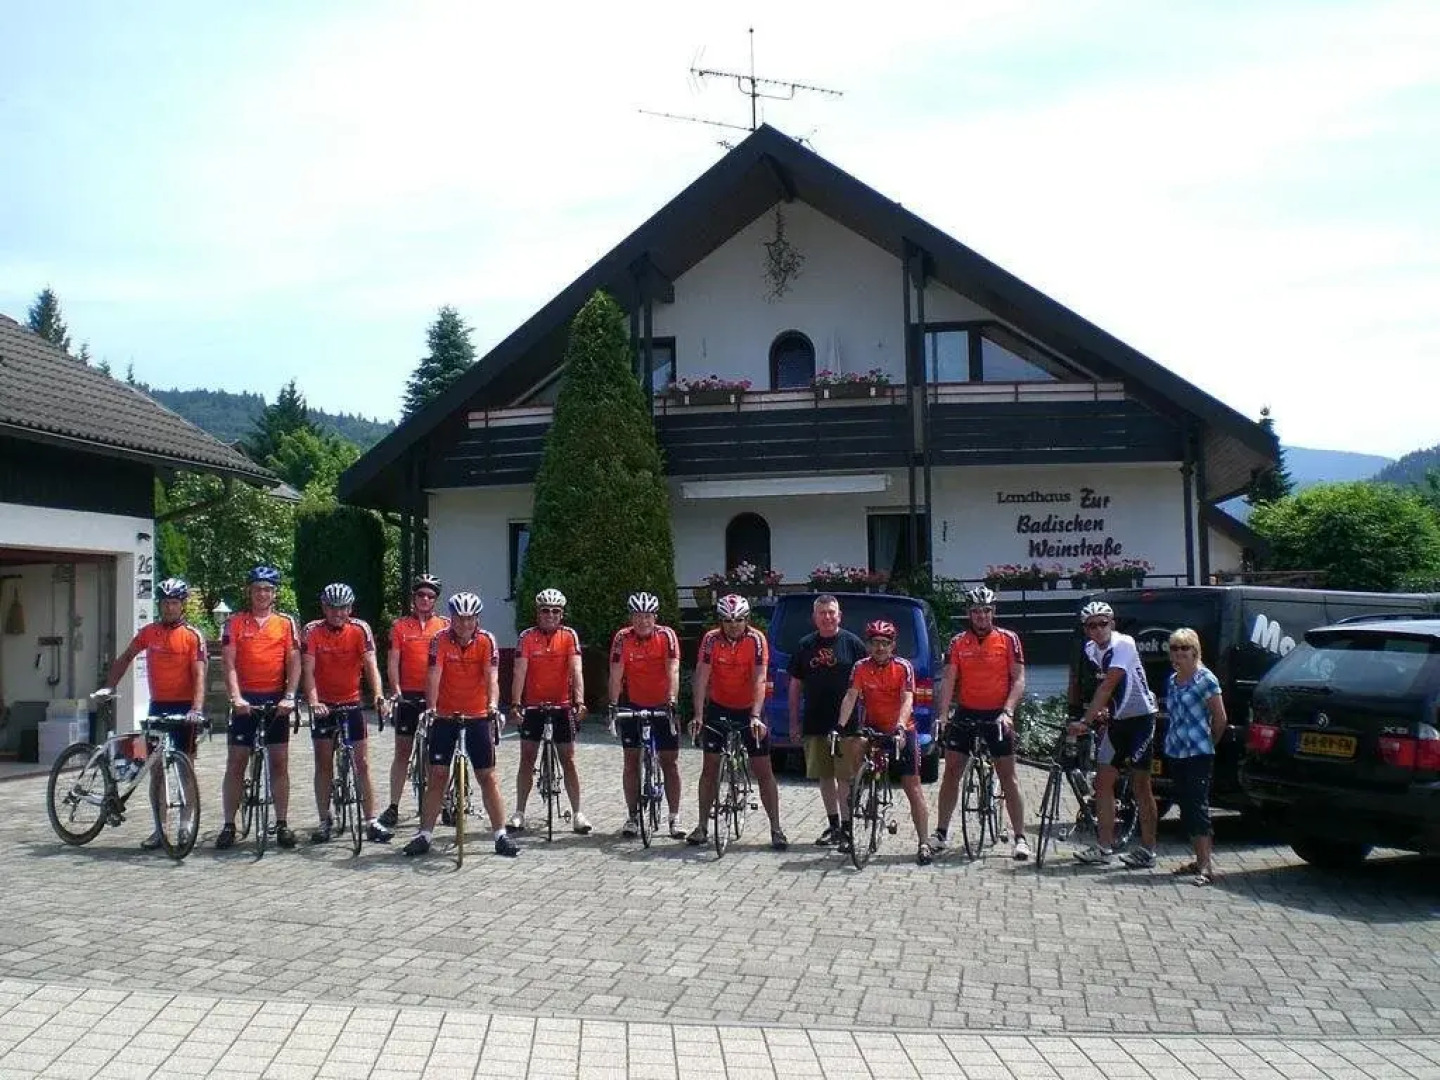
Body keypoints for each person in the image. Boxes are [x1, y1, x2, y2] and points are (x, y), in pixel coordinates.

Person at [404, 592, 518, 858]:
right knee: (438, 776)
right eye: (459, 618)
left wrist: (492, 706)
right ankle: (425, 835)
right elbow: (434, 674)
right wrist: (430, 708)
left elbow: (492, 677)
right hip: (445, 715)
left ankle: (500, 835)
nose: (464, 625)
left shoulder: (486, 640)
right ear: (452, 618)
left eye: (470, 619)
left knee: (487, 777)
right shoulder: (439, 640)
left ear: (477, 618)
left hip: (477, 714)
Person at [99, 577, 207, 851]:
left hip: (184, 708)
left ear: (182, 605)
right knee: (155, 770)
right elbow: (125, 658)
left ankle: (186, 824)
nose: (169, 608)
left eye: (174, 603)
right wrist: (109, 686)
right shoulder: (149, 632)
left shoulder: (192, 636)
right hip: (158, 707)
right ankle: (159, 829)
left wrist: (196, 708)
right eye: (165, 603)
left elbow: (200, 676)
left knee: (185, 769)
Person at [932, 586, 1030, 859]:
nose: (982, 617)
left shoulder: (1009, 639)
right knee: (951, 771)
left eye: (986, 611)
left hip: (998, 713)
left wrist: (1008, 711)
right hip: (966, 711)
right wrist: (943, 716)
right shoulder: (958, 642)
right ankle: (941, 832)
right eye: (976, 612)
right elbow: (949, 681)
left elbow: (1019, 679)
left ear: (993, 612)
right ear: (969, 614)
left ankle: (1020, 837)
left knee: (1007, 775)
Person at [687, 593, 788, 850]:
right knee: (710, 768)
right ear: (720, 621)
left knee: (763, 769)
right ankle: (701, 826)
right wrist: (698, 714)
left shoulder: (756, 639)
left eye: (739, 620)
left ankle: (776, 828)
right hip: (719, 706)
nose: (733, 625)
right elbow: (701, 678)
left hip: (748, 708)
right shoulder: (711, 640)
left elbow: (760, 679)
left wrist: (755, 715)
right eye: (728, 621)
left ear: (747, 619)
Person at [217, 566, 301, 850]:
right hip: (246, 700)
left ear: (274, 593)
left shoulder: (286, 623)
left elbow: (294, 662)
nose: (262, 594)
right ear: (249, 592)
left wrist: (289, 695)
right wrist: (235, 697)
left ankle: (282, 823)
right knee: (237, 761)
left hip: (275, 699)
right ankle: (229, 823)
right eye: (257, 589)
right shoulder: (235, 622)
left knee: (279, 761)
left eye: (267, 589)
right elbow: (228, 663)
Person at [301, 583, 393, 844]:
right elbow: (308, 670)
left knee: (362, 764)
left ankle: (370, 821)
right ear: (324, 608)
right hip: (324, 704)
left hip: (351, 702)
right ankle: (324, 820)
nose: (337, 613)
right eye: (332, 608)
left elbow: (371, 665)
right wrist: (314, 701)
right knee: (323, 764)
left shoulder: (360, 629)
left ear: (350, 608)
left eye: (342, 608)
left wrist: (378, 695)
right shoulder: (312, 631)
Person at [836, 619, 933, 865]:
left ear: (893, 645)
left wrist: (900, 726)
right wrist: (839, 727)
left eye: (885, 643)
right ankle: (858, 786)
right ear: (868, 645)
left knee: (913, 786)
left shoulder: (903, 667)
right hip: (872, 727)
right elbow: (850, 697)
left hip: (901, 729)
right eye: (875, 643)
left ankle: (924, 842)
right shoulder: (860, 667)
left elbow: (907, 699)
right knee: (855, 743)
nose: (879, 648)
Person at [1074, 600, 1161, 867]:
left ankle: (1148, 851)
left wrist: (1085, 722)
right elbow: (1093, 686)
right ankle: (1103, 847)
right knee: (1102, 783)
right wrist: (1096, 712)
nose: (1098, 629)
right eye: (1091, 625)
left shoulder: (1124, 644)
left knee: (1140, 785)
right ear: (1086, 630)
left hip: (1141, 720)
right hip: (1118, 722)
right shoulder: (1090, 650)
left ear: (1112, 623)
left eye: (1103, 623)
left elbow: (1109, 685)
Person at [786, 594, 867, 846]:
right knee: (824, 775)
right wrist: (793, 722)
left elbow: (866, 683)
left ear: (839, 616)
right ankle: (833, 825)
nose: (827, 617)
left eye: (832, 612)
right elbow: (795, 686)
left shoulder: (852, 644)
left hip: (846, 722)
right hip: (814, 719)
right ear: (814, 618)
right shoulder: (805, 645)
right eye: (822, 613)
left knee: (844, 776)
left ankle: (847, 827)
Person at [508, 588, 590, 834]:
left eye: (556, 611)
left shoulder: (569, 636)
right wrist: (515, 704)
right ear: (538, 613)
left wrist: (580, 701)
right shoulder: (527, 637)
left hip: (562, 704)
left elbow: (576, 670)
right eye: (546, 611)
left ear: (562, 614)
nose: (550, 615)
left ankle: (578, 813)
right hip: (534, 705)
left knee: (568, 759)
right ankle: (519, 812)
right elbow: (519, 672)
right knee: (527, 758)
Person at [607, 591, 685, 839]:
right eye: (638, 616)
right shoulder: (622, 638)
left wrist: (671, 701)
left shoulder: (667, 636)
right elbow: (616, 673)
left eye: (648, 616)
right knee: (631, 762)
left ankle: (674, 817)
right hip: (633, 703)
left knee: (670, 763)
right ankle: (632, 816)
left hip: (663, 704)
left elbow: (673, 670)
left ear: (655, 617)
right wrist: (613, 704)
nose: (643, 621)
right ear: (631, 617)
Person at [379, 573, 449, 828]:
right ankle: (393, 806)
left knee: (437, 756)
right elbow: (393, 662)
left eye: (430, 596)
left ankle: (443, 803)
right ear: (414, 598)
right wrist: (395, 690)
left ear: (435, 600)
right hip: (408, 695)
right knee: (402, 752)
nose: (425, 599)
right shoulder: (400, 626)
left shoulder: (444, 625)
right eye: (421, 594)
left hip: (437, 697)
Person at [1163, 627, 1227, 885]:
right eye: (1175, 649)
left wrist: (1210, 742)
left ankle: (1205, 866)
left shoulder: (1206, 679)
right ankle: (1196, 859)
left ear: (1195, 651)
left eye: (1184, 649)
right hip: (1176, 750)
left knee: (1198, 806)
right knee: (1186, 806)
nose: (1179, 654)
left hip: (1198, 751)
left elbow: (1220, 718)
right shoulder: (1172, 680)